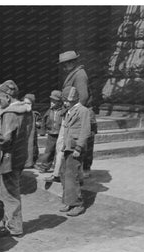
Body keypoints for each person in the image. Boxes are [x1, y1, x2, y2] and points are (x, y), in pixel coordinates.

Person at [0, 80, 32, 236]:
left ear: (8, 97)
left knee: (9, 193)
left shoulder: (10, 113)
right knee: (12, 190)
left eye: (0, 98)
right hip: (19, 155)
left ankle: (15, 226)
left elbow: (5, 138)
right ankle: (11, 223)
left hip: (9, 157)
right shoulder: (25, 111)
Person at [58, 50, 97, 178]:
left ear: (73, 62)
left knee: (84, 141)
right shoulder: (73, 73)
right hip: (76, 111)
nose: (64, 67)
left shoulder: (80, 75)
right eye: (63, 64)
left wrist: (73, 111)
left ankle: (84, 169)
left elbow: (83, 97)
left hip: (81, 112)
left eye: (66, 64)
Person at [59, 86, 91, 217]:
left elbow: (85, 130)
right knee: (64, 174)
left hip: (75, 148)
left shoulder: (83, 111)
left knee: (73, 176)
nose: (65, 103)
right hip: (68, 147)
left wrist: (79, 147)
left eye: (66, 100)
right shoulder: (69, 110)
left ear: (73, 100)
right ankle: (69, 201)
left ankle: (78, 204)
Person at [38, 90, 64, 173]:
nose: (52, 103)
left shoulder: (63, 111)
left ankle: (58, 168)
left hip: (60, 134)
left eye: (54, 102)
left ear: (60, 102)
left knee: (59, 151)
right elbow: (43, 120)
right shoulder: (49, 111)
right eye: (51, 101)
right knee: (48, 151)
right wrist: (42, 131)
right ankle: (44, 166)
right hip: (51, 133)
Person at [23, 94, 41, 169]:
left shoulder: (35, 114)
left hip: (32, 133)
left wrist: (37, 123)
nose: (26, 105)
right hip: (23, 134)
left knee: (33, 147)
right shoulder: (20, 112)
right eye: (25, 103)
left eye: (29, 103)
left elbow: (40, 123)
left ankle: (33, 162)